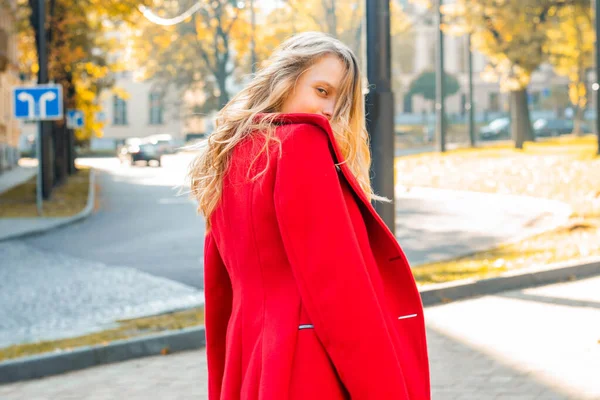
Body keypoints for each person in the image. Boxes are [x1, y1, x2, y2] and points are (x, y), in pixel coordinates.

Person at [188, 31, 430, 399]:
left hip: (251, 359)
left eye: (339, 100)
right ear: (286, 79)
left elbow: (220, 297)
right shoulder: (302, 143)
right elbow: (340, 290)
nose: (330, 110)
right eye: (322, 90)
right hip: (306, 367)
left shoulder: (229, 156)